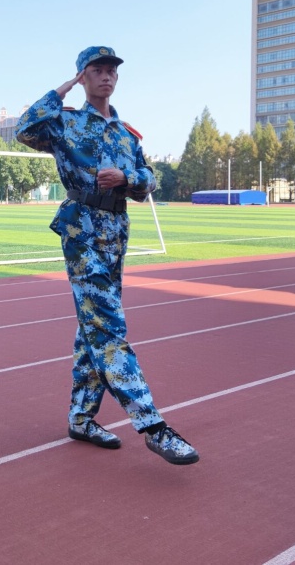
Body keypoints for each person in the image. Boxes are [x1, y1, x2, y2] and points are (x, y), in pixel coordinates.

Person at [15, 45, 199, 466]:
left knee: (92, 330)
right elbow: (25, 128)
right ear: (83, 76)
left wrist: (127, 177)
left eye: (111, 70)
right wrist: (63, 88)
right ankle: (152, 425)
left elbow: (148, 179)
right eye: (96, 70)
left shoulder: (126, 134)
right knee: (108, 329)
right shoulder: (65, 123)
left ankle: (81, 418)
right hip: (82, 230)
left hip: (115, 232)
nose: (106, 76)